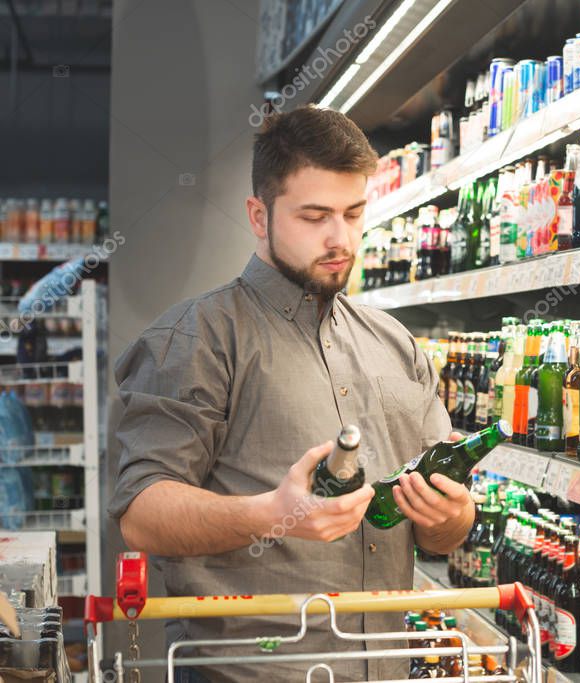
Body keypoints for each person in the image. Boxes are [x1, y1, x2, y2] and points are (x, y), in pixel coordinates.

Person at [108, 107, 474, 682]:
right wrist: (269, 515)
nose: (340, 238)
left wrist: (453, 515)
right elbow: (141, 513)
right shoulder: (197, 340)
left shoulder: (396, 343)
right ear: (259, 215)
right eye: (314, 216)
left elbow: (441, 533)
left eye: (354, 214)